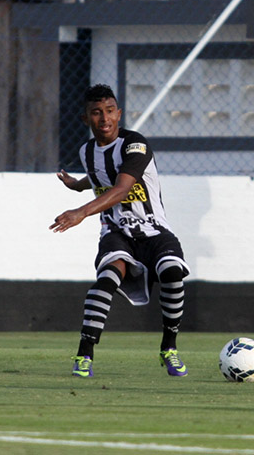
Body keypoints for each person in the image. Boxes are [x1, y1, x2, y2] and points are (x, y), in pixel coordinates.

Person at [51, 83, 189, 378]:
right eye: (96, 112)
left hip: (154, 230)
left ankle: (169, 348)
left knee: (172, 272)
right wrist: (78, 185)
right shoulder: (87, 151)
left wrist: (81, 212)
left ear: (119, 113)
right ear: (85, 118)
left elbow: (122, 187)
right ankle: (84, 355)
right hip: (116, 232)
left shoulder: (135, 144)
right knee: (107, 280)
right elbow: (100, 175)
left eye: (110, 111)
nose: (105, 118)